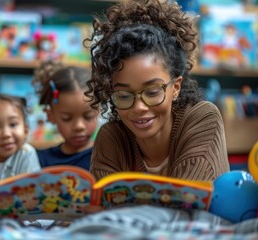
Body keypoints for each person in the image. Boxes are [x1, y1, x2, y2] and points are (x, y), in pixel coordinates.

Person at [84, 0, 230, 181]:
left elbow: (187, 199)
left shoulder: (202, 118)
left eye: (152, 92)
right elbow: (102, 204)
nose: (139, 107)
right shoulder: (112, 137)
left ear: (175, 87)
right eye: (123, 95)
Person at [32, 60, 99, 170]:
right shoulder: (39, 160)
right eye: (67, 118)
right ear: (50, 115)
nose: (79, 126)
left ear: (98, 110)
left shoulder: (109, 157)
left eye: (88, 116)